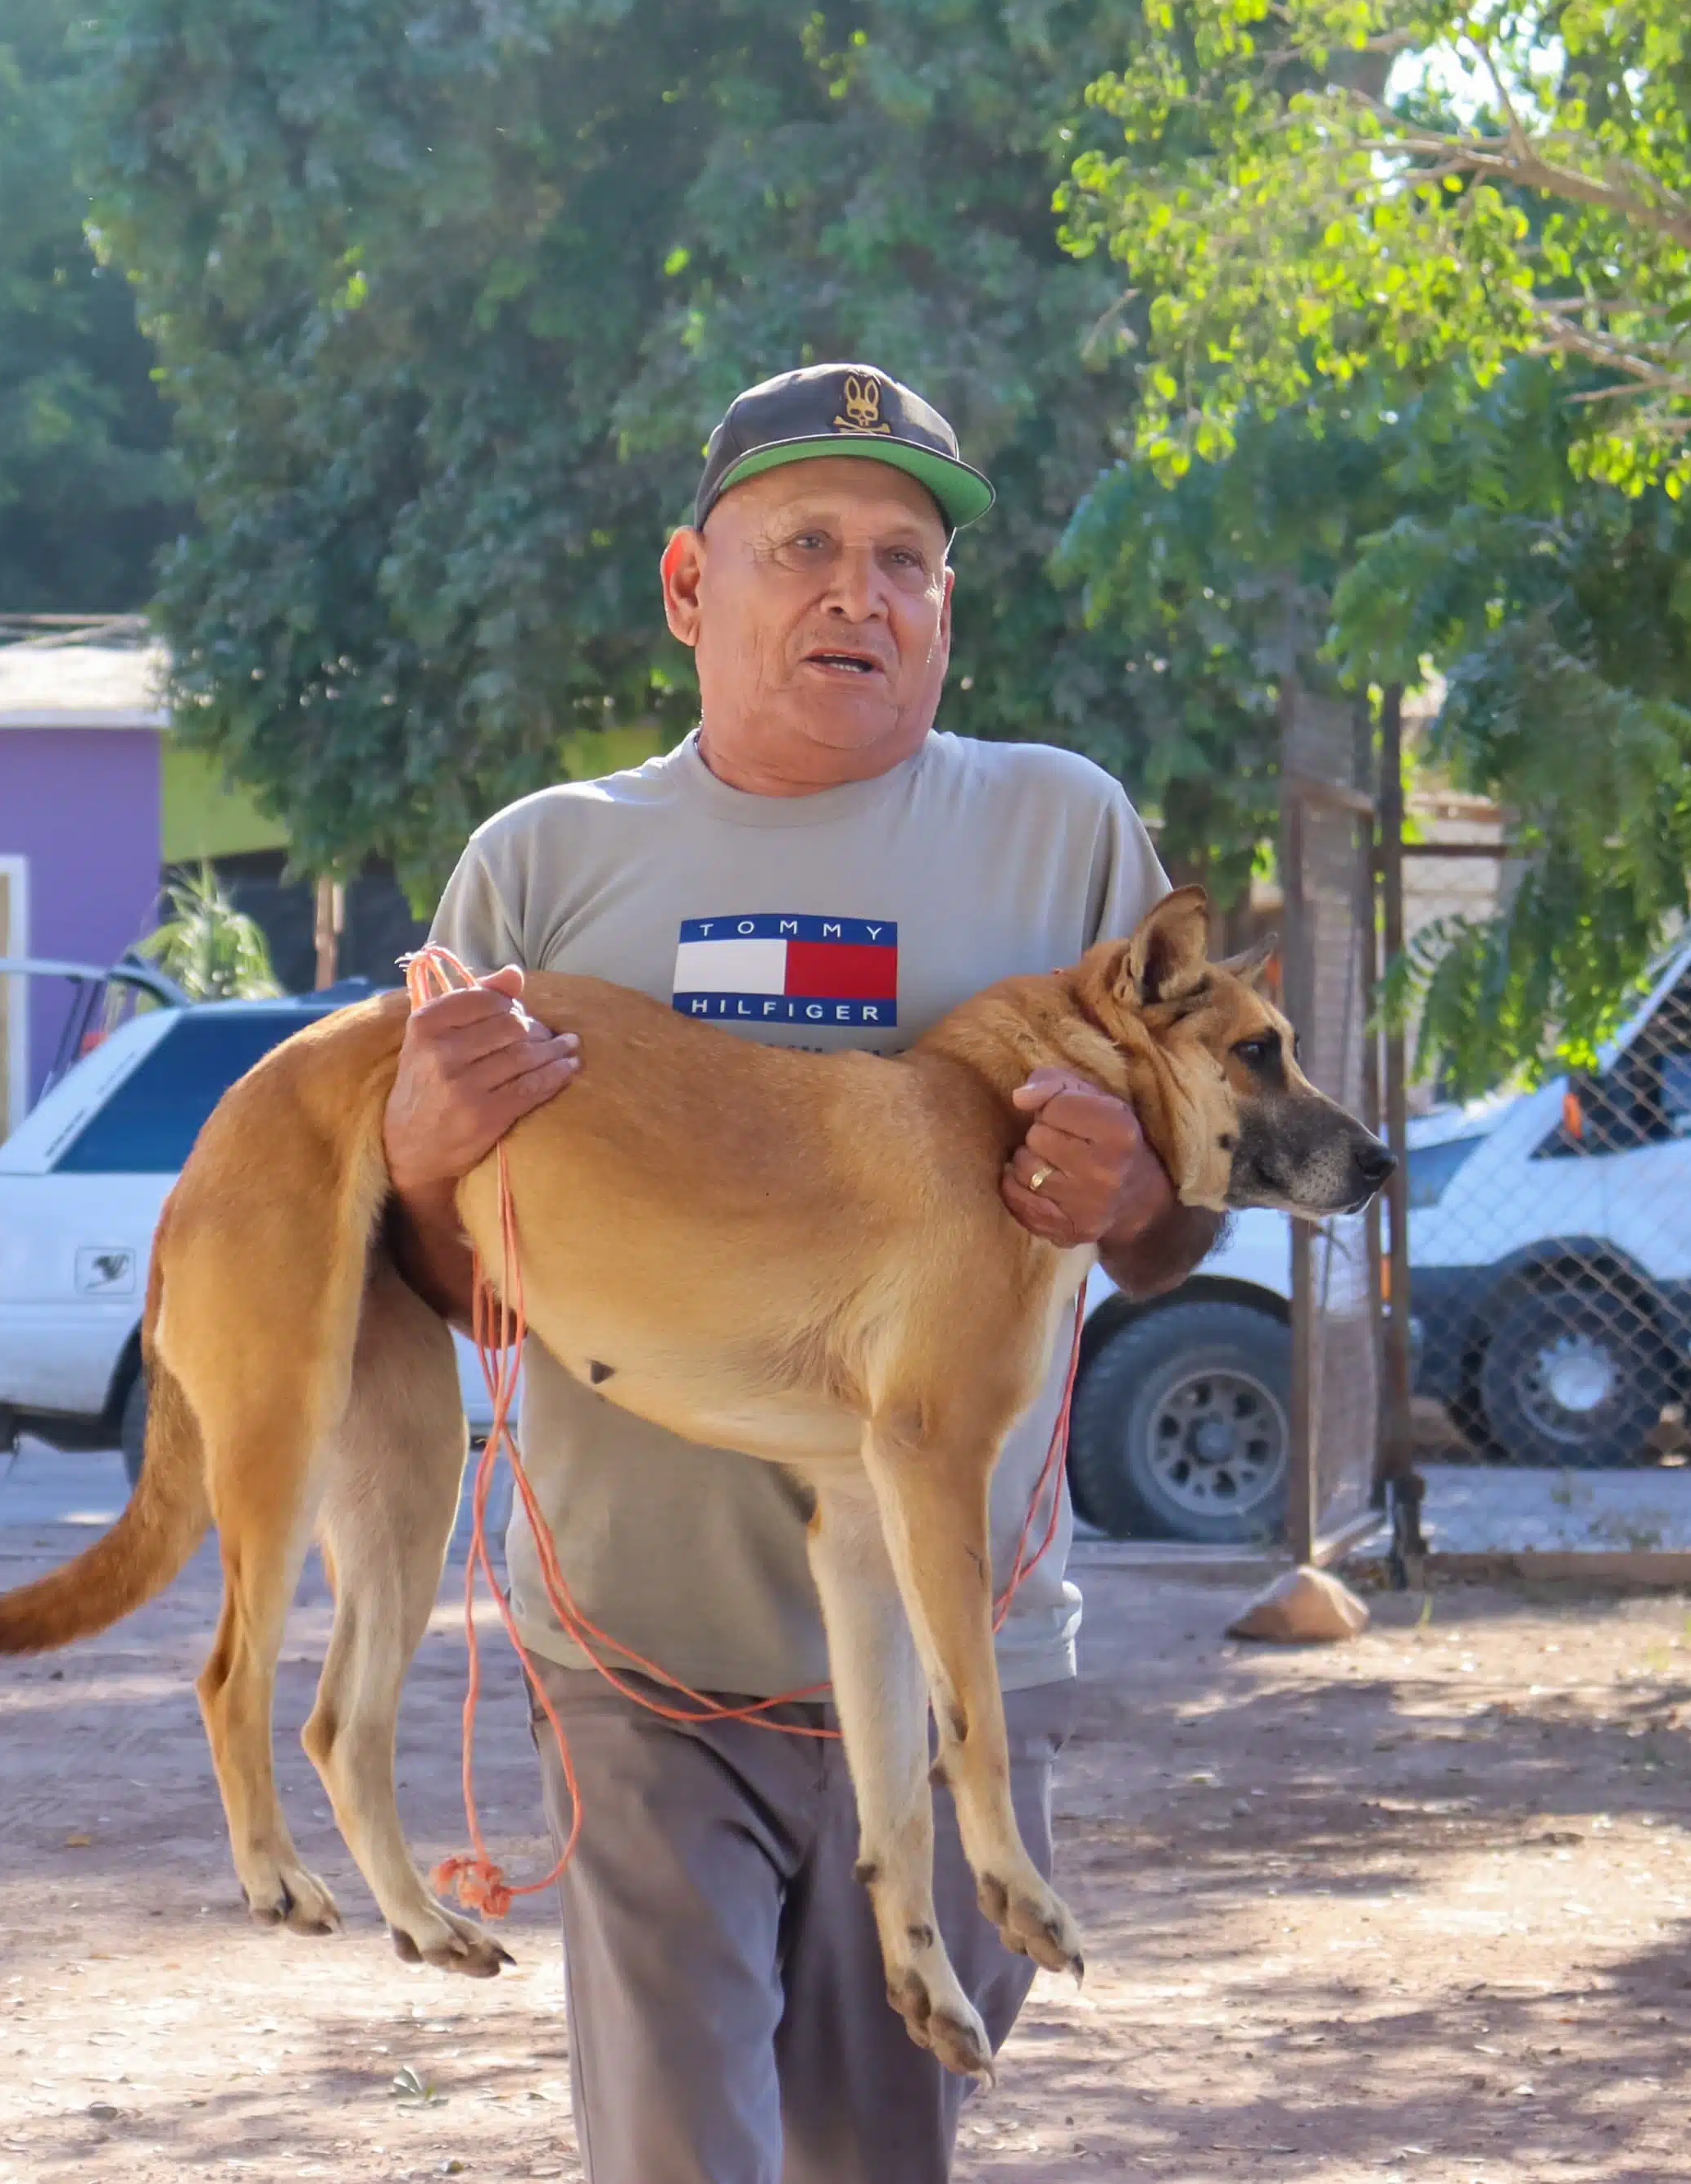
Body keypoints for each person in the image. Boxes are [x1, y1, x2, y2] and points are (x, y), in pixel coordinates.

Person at [379, 363, 1221, 2184]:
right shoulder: (539, 871)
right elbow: (467, 1289)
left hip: (952, 1651)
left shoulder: (1065, 836)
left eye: (908, 559)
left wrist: (1138, 1177)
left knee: (875, 2159)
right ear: (691, 587)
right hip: (635, 1651)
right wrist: (419, 1156)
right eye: (808, 545)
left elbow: (1170, 1238)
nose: (862, 592)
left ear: (947, 611)